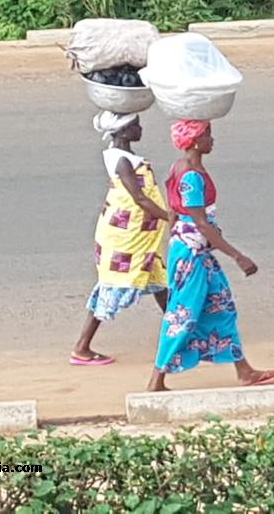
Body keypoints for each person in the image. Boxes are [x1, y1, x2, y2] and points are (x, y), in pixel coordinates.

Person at [146, 119, 274, 391]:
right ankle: (156, 379)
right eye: (208, 136)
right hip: (193, 254)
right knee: (182, 314)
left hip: (195, 251)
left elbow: (174, 210)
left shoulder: (179, 167)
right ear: (195, 142)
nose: (212, 140)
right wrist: (238, 256)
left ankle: (244, 370)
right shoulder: (192, 177)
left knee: (221, 306)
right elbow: (201, 224)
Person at [71, 111, 170, 366]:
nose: (141, 129)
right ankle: (82, 347)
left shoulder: (121, 156)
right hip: (127, 237)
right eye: (136, 126)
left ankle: (181, 330)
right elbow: (140, 199)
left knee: (157, 279)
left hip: (138, 234)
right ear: (124, 132)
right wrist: (171, 217)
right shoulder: (122, 161)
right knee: (113, 285)